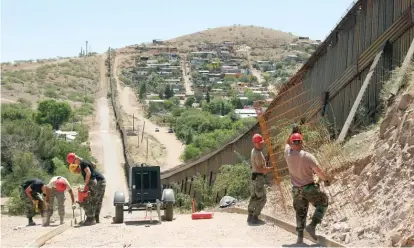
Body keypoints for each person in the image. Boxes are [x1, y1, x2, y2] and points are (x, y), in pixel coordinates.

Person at [284, 132, 331, 243]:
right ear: (302, 142)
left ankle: (300, 238)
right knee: (324, 201)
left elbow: (286, 143)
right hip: (308, 188)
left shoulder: (287, 154)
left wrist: (292, 132)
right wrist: (326, 180)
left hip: (296, 189)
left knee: (300, 212)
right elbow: (318, 171)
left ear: (291, 143)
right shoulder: (308, 157)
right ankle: (312, 225)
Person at [66, 152, 106, 225]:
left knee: (87, 201)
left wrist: (85, 184)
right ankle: (95, 218)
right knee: (96, 201)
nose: (75, 163)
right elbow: (94, 165)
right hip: (96, 181)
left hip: (95, 181)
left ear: (75, 159)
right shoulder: (85, 161)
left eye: (74, 162)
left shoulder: (82, 163)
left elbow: (88, 173)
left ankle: (91, 219)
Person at [247, 133, 273, 224]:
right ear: (255, 144)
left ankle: (250, 215)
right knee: (262, 198)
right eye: (259, 143)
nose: (261, 144)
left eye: (262, 143)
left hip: (253, 177)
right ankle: (255, 217)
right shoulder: (257, 154)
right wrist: (269, 169)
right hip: (258, 178)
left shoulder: (254, 150)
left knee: (254, 197)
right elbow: (260, 169)